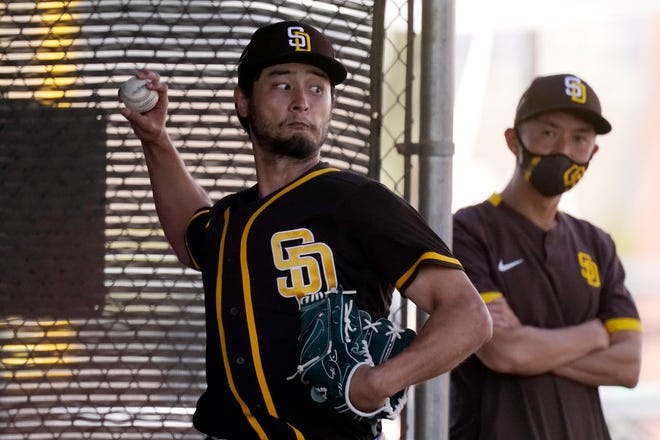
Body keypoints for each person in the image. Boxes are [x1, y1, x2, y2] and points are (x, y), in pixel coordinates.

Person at [121, 20, 492, 440]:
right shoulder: (230, 219)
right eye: (282, 86)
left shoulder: (356, 200)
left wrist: (378, 383)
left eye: (317, 89)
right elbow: (192, 235)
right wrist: (155, 139)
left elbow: (468, 315)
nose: (302, 102)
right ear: (243, 100)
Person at [449, 73, 643, 440]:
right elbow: (503, 353)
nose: (564, 150)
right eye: (549, 133)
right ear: (513, 140)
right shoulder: (467, 231)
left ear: (593, 152)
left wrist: (531, 346)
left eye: (580, 138)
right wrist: (594, 333)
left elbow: (629, 366)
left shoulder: (597, 244)